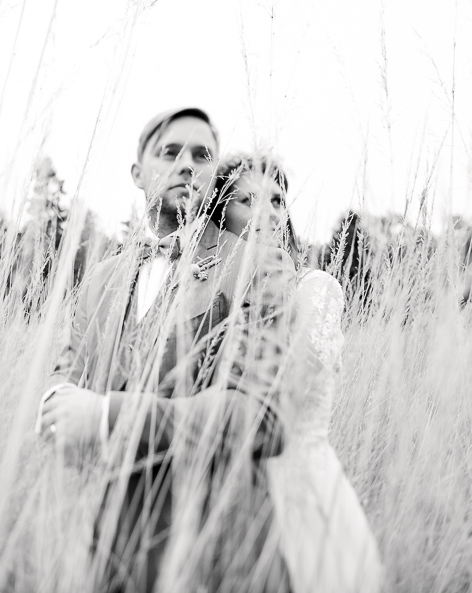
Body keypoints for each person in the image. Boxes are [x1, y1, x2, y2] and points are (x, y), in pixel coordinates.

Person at [36, 109, 297, 592]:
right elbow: (64, 371)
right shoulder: (99, 279)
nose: (185, 164)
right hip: (110, 543)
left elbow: (261, 417)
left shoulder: (255, 266)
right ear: (138, 174)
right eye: (169, 152)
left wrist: (106, 416)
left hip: (217, 548)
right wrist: (52, 405)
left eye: (202, 155)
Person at [207, 154, 384, 593]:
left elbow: (287, 398)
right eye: (247, 200)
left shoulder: (315, 289)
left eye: (277, 199)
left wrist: (269, 296)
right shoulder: (206, 296)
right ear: (220, 217)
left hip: (300, 487)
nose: (267, 212)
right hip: (223, 494)